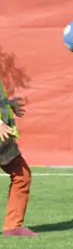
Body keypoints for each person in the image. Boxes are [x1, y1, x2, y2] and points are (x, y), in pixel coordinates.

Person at [0, 79, 34, 237]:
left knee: (22, 175)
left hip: (4, 138)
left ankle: (13, 226)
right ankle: (13, 226)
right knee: (21, 175)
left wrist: (8, 104)